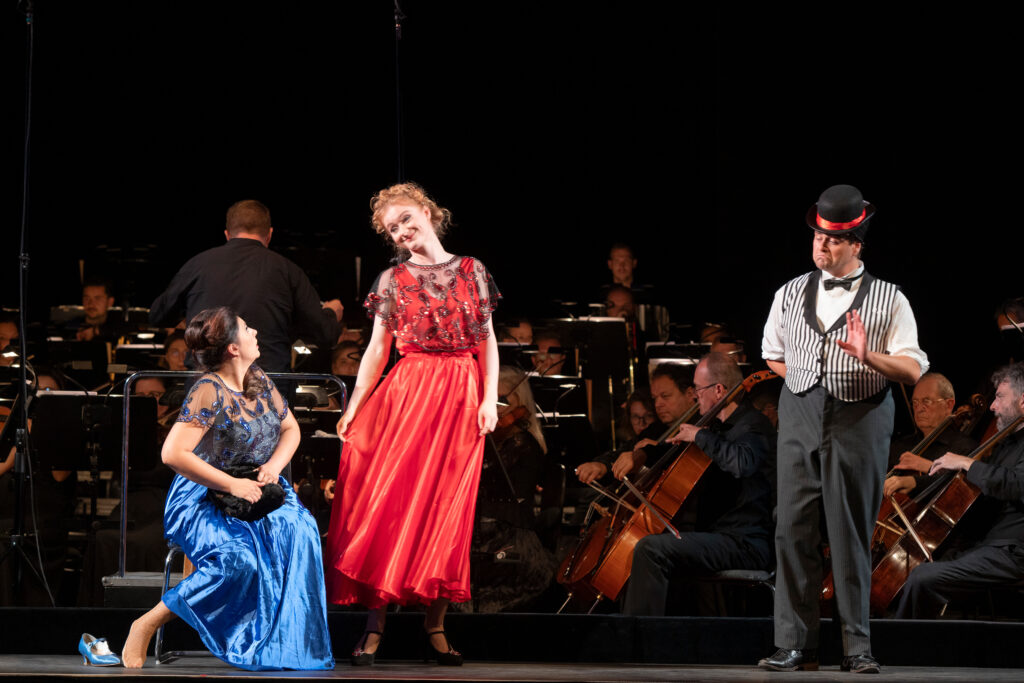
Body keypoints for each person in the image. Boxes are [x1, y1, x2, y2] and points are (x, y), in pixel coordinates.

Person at [323, 182, 500, 666]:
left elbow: (486, 342)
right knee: (390, 503)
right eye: (391, 229)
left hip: (460, 397)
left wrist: (490, 399)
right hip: (407, 394)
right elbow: (377, 350)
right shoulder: (391, 280)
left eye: (405, 219)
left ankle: (436, 624)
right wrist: (354, 405)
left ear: (426, 211)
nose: (401, 232)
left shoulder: (473, 271)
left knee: (449, 507)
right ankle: (375, 624)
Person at [759, 184, 928, 674]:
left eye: (832, 240)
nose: (821, 246)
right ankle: (795, 644)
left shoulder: (890, 298)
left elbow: (913, 370)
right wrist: (809, 383)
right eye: (817, 237)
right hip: (800, 414)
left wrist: (865, 357)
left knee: (850, 533)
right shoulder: (789, 292)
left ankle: (856, 647)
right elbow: (772, 354)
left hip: (859, 418)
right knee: (792, 529)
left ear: (857, 244)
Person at [118, 307, 333, 670]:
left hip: (257, 484)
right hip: (205, 494)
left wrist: (273, 467)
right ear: (233, 347)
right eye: (248, 329)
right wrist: (232, 483)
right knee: (238, 560)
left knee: (301, 530)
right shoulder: (209, 390)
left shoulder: (259, 379)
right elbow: (173, 453)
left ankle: (281, 642)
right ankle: (146, 624)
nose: (255, 333)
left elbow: (290, 430)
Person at [623, 352, 775, 616]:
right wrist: (644, 454)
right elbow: (685, 456)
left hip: (746, 542)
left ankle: (640, 640)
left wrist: (700, 435)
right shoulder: (717, 429)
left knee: (650, 549)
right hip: (720, 537)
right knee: (654, 545)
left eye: (698, 389)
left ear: (718, 390)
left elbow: (742, 463)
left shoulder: (754, 425)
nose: (695, 395)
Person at [149, 199, 343, 372]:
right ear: (269, 234)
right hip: (268, 387)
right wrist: (331, 313)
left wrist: (189, 315)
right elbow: (325, 335)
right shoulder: (288, 271)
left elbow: (158, 316)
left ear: (227, 234)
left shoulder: (196, 265)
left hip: (207, 387)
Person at [894, 363, 1024, 618]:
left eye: (999, 397)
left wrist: (967, 463)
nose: (992, 406)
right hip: (989, 546)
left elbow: (1016, 484)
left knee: (923, 577)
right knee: (924, 566)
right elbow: (983, 497)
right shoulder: (1005, 444)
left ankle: (902, 654)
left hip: (1013, 552)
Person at [575, 363, 696, 486]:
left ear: (690, 394)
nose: (658, 404)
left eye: (665, 396)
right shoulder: (658, 428)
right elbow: (626, 450)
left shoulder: (705, 427)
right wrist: (602, 465)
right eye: (655, 398)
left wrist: (657, 449)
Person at [883, 372, 977, 499]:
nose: (919, 408)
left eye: (926, 401)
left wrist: (920, 477)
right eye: (915, 402)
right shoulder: (899, 446)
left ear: (948, 405)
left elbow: (964, 493)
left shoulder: (965, 448)